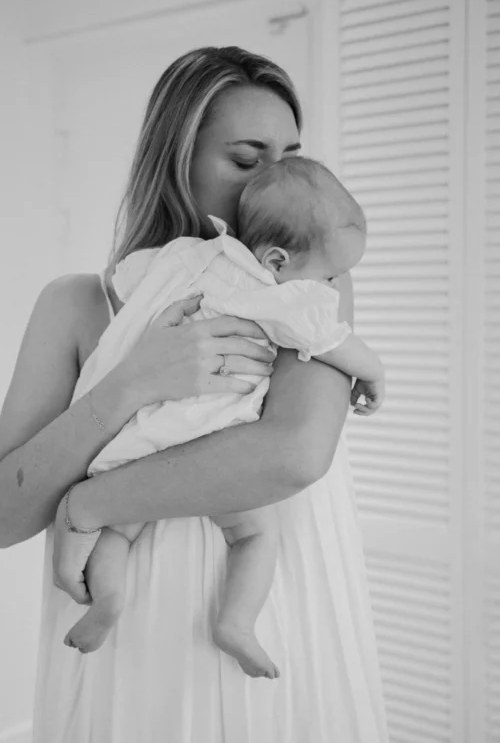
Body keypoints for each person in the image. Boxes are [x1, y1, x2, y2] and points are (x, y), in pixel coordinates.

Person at [0, 46, 389, 742]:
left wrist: (88, 502)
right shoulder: (77, 304)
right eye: (247, 158)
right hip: (125, 641)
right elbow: (2, 517)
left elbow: (293, 454)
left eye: (292, 153)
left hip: (271, 612)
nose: (279, 176)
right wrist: (133, 382)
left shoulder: (309, 282)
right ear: (178, 159)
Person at [61, 157, 386, 682]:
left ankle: (108, 602)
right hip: (216, 438)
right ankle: (235, 623)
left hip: (149, 428)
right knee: (255, 534)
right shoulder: (288, 296)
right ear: (277, 258)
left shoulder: (189, 256)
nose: (333, 285)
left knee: (118, 532)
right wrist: (376, 374)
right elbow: (331, 341)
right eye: (329, 274)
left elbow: (127, 278)